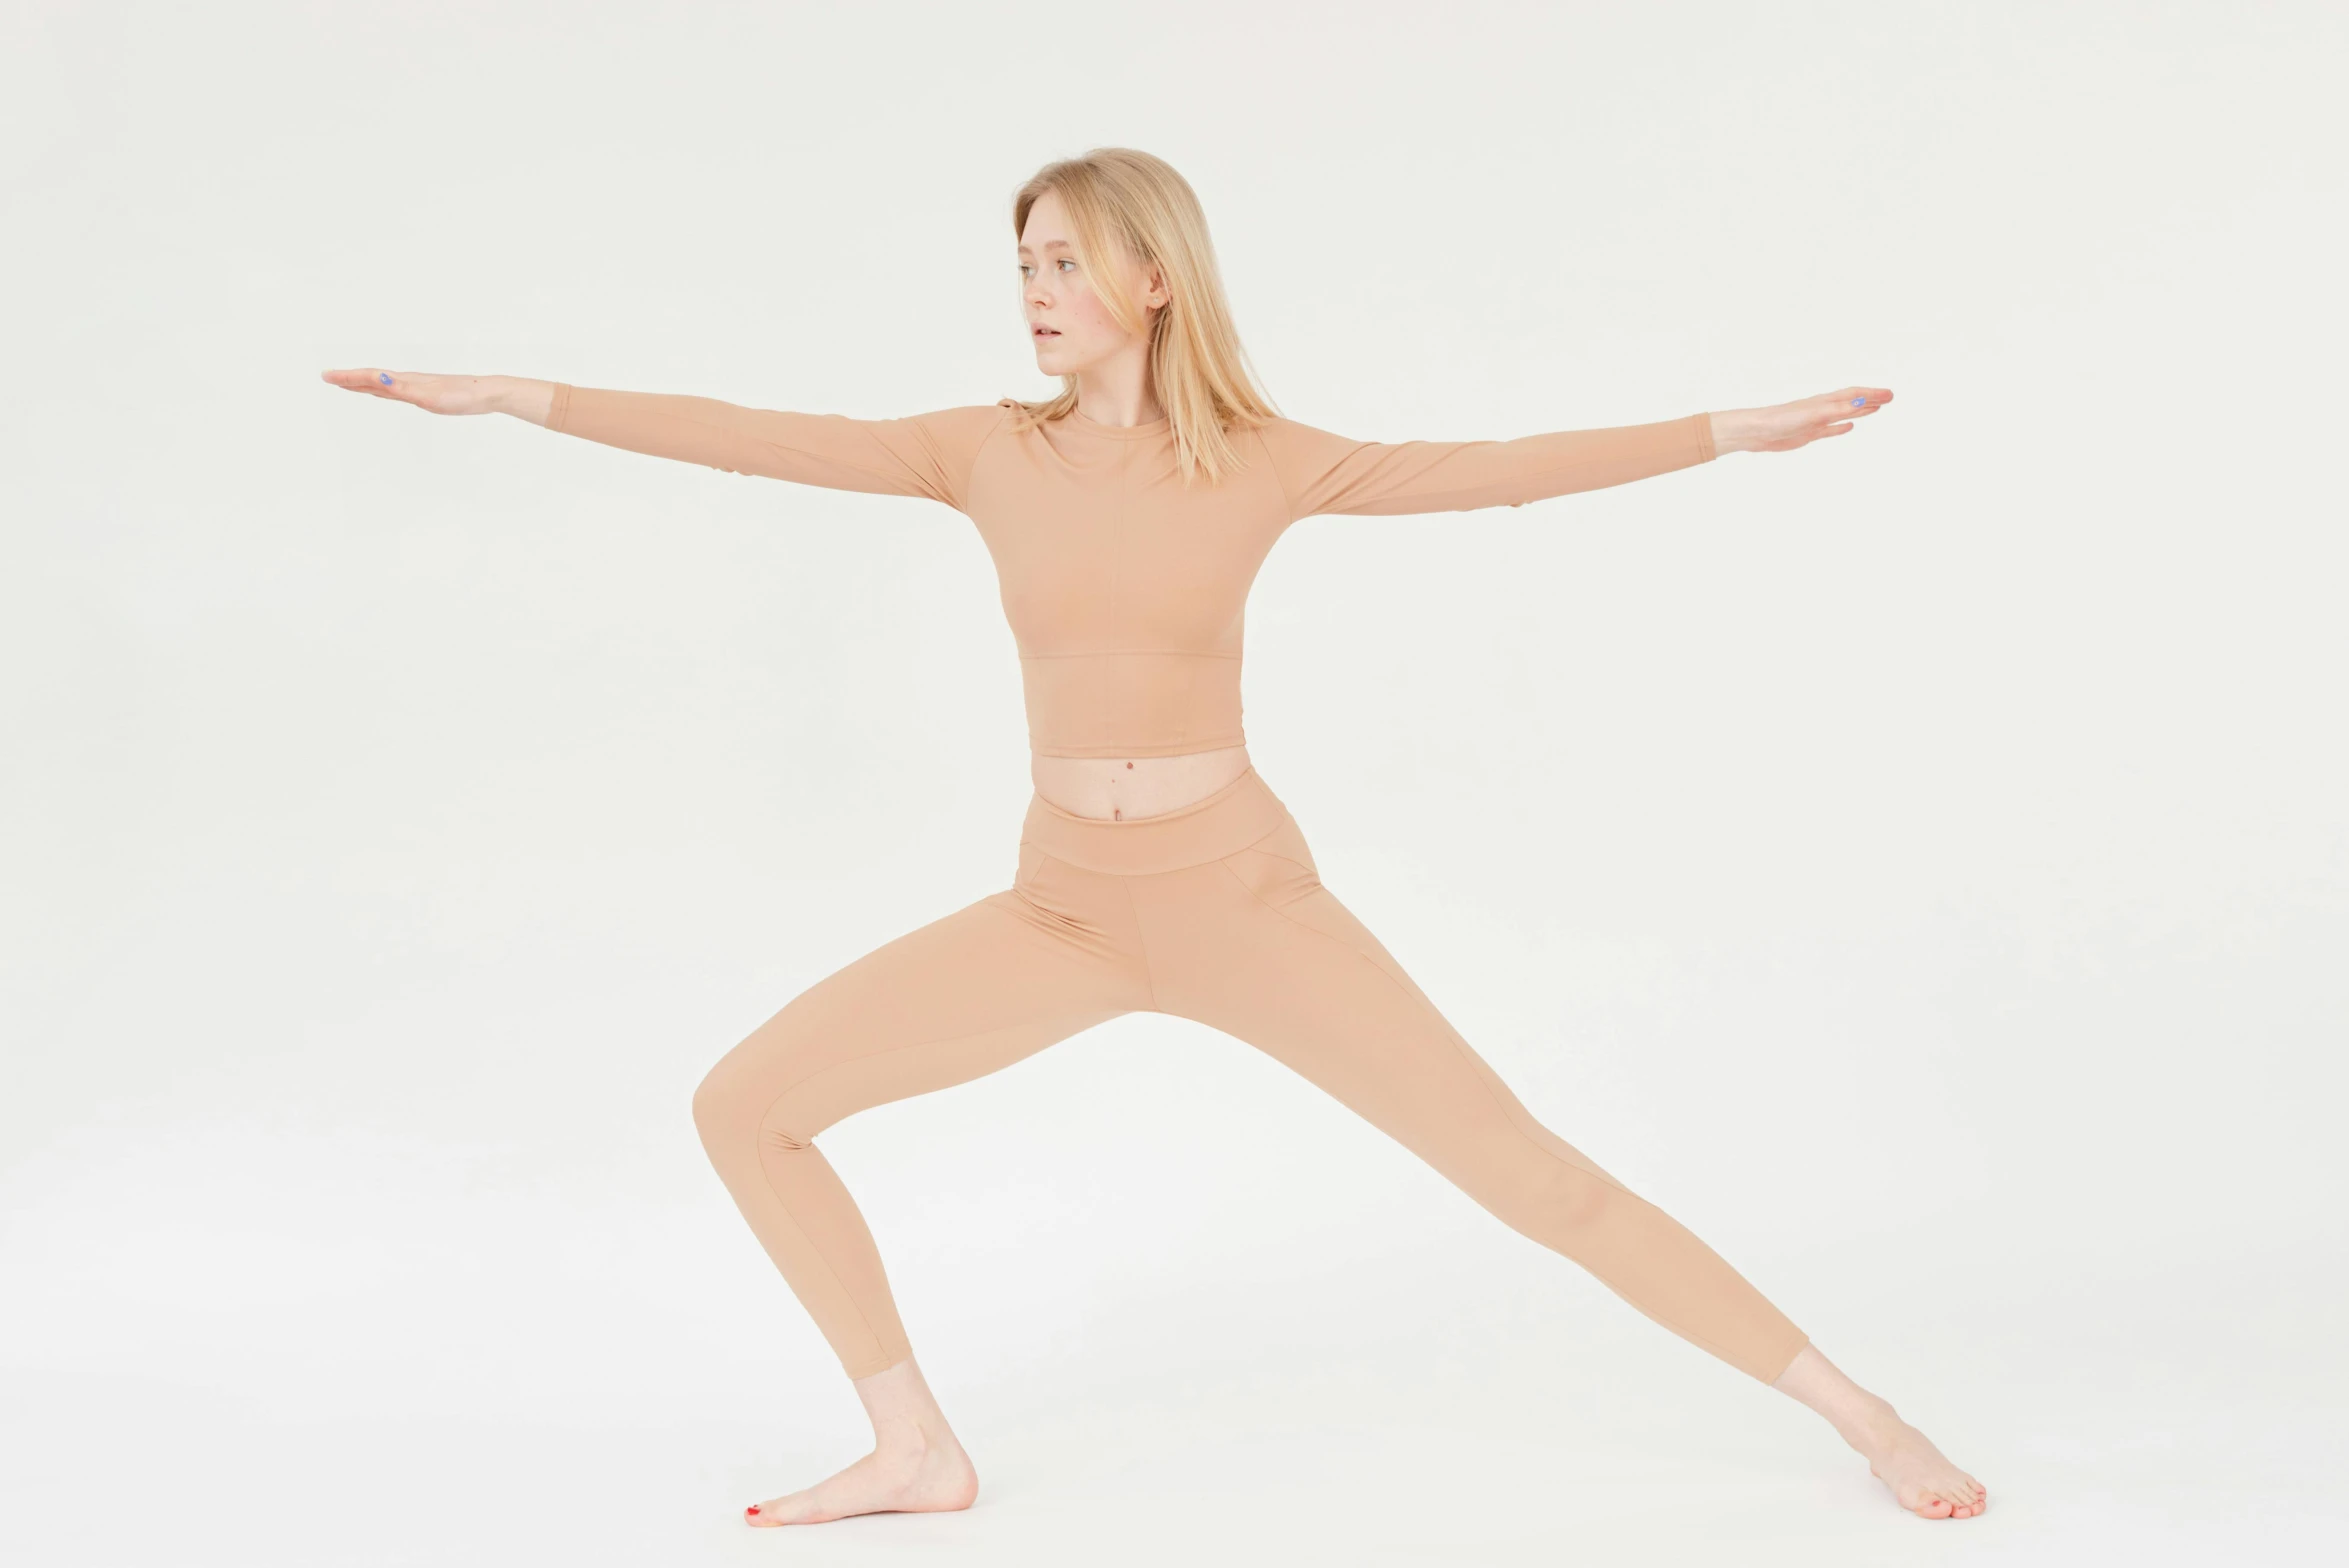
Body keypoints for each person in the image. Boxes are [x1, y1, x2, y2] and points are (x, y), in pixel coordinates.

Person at [323, 146, 1983, 1528]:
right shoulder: (982, 451)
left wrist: (1716, 433)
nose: (1032, 289)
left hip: (1241, 900)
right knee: (746, 1105)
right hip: (1063, 913)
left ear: (1153, 277)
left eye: (1059, 260)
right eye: (1021, 264)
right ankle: (917, 1449)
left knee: (1528, 1174)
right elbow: (756, 435)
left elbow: (1497, 474)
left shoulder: (1265, 462)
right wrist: (515, 397)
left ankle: (1864, 1415)